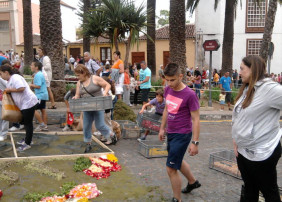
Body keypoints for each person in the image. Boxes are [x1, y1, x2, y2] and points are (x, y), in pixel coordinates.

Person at [232, 55, 282, 202]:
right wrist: (236, 141)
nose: (239, 72)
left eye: (242, 69)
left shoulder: (269, 89)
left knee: (269, 191)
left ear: (253, 69)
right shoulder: (248, 87)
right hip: (243, 150)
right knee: (249, 189)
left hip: (262, 152)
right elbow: (238, 116)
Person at [159, 63, 201, 202]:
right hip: (171, 132)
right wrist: (162, 128)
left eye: (172, 80)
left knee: (171, 168)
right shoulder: (167, 90)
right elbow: (166, 109)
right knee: (177, 160)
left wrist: (195, 142)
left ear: (180, 76)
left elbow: (195, 119)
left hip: (182, 134)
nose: (169, 83)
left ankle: (177, 199)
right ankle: (192, 182)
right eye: (167, 80)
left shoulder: (190, 94)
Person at [73, 64, 117, 152]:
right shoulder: (79, 83)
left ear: (84, 73)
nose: (77, 77)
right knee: (86, 126)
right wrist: (75, 97)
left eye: (79, 75)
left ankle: (111, 134)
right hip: (87, 107)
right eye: (76, 75)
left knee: (99, 125)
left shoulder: (95, 78)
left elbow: (107, 85)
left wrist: (105, 93)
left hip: (98, 105)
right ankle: (88, 144)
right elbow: (77, 94)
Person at [0, 64, 38, 151]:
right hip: (24, 104)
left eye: (1, 74)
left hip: (29, 102)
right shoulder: (10, 80)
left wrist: (9, 90)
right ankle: (28, 139)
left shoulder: (15, 77)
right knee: (24, 122)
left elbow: (22, 88)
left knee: (28, 124)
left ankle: (28, 143)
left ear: (6, 72)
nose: (1, 76)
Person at [29, 61, 49, 132]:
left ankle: (42, 124)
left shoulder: (38, 75)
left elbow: (38, 86)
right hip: (43, 94)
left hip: (40, 95)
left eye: (32, 65)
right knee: (43, 110)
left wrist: (30, 85)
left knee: (33, 109)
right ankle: (45, 126)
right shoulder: (38, 74)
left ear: (36, 67)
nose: (30, 66)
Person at [0, 77, 8, 141]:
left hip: (4, 100)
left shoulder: (1, 79)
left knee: (4, 118)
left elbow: (8, 85)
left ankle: (3, 134)